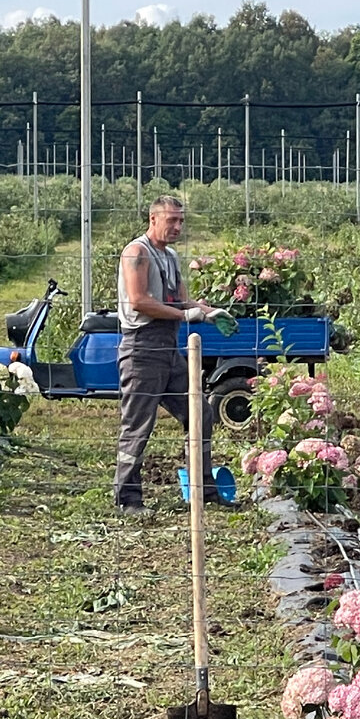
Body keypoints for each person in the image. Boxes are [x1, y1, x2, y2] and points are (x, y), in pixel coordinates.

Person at [114, 194, 233, 513]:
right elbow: (139, 301)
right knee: (138, 423)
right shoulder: (136, 252)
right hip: (141, 347)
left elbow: (183, 300)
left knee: (201, 414)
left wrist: (208, 312)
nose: (178, 226)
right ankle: (128, 499)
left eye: (181, 220)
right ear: (153, 219)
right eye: (172, 220)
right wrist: (183, 316)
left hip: (169, 347)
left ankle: (203, 489)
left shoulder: (169, 257)